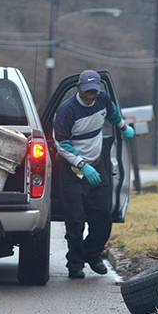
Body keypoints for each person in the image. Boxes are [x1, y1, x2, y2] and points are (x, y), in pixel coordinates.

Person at [53, 70, 134, 279]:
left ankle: (92, 254)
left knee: (103, 219)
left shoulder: (103, 99)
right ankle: (75, 264)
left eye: (94, 92)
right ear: (79, 88)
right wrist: (82, 165)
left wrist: (124, 127)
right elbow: (61, 144)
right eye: (87, 91)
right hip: (72, 171)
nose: (91, 95)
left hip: (98, 167)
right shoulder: (66, 111)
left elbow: (113, 113)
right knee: (76, 221)